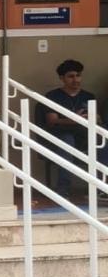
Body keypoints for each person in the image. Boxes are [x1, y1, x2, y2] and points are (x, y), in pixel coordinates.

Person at [39, 59, 97, 194]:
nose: (75, 79)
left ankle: (101, 187)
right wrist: (75, 119)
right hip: (61, 135)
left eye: (78, 75)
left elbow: (96, 118)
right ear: (62, 78)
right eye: (71, 76)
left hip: (84, 134)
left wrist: (94, 118)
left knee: (103, 142)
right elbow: (52, 120)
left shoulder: (88, 96)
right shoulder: (53, 95)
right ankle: (63, 188)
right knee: (67, 141)